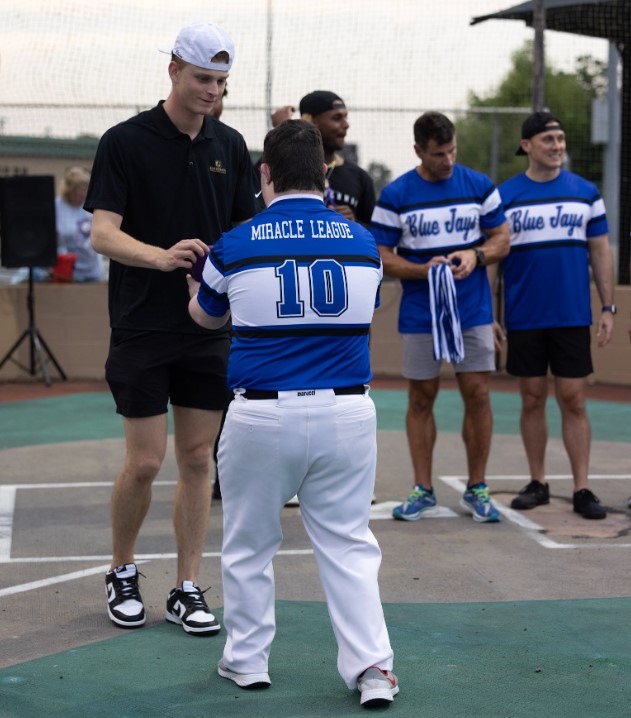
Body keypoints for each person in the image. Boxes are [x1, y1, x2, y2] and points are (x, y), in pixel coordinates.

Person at [188, 119, 398, 708]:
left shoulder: (235, 242)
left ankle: (247, 662)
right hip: (347, 412)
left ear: (265, 174)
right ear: (326, 173)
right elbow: (367, 306)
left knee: (250, 544)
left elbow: (204, 318)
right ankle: (373, 670)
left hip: (261, 416)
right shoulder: (361, 242)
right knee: (349, 545)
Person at [84, 22, 259, 634]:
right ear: (174, 72)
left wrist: (220, 275)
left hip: (207, 328)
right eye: (203, 78)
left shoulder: (231, 146)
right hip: (141, 325)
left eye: (220, 81)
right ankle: (122, 570)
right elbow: (102, 232)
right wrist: (163, 258)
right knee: (145, 462)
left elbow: (244, 233)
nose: (212, 90)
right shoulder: (125, 141)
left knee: (196, 460)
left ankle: (187, 586)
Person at [370, 111, 510, 523]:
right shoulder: (397, 194)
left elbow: (502, 238)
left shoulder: (479, 184)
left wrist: (476, 254)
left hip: (473, 311)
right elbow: (380, 254)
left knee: (478, 394)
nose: (447, 160)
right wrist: (422, 271)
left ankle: (478, 487)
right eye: (437, 154)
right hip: (420, 313)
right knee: (420, 397)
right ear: (418, 150)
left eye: (451, 151)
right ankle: (422, 488)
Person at [495, 111, 615, 520]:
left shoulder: (585, 192)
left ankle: (582, 487)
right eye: (549, 140)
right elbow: (493, 260)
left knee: (573, 399)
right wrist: (491, 314)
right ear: (527, 146)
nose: (558, 146)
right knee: (531, 398)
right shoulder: (505, 196)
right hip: (525, 315)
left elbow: (600, 251)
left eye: (561, 139)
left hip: (571, 315)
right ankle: (538, 481)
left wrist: (608, 306)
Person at [296, 91, 376, 226]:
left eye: (345, 117)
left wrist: (353, 224)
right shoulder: (286, 170)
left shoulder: (360, 177)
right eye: (337, 118)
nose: (346, 125)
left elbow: (376, 235)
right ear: (311, 122)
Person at [55, 166, 104, 282]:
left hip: (92, 270)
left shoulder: (91, 206)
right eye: (80, 189)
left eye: (86, 189)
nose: (83, 193)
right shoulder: (57, 206)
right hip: (68, 270)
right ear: (70, 189)